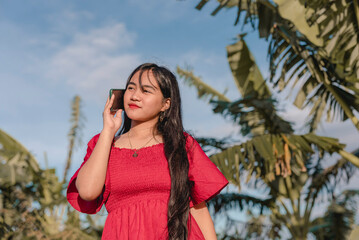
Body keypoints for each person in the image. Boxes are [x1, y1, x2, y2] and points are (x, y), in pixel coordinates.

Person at [67, 63, 228, 239]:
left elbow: (198, 209)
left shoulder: (181, 145)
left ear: (166, 104)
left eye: (146, 91)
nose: (135, 96)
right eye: (130, 88)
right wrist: (108, 131)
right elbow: (88, 192)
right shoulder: (103, 144)